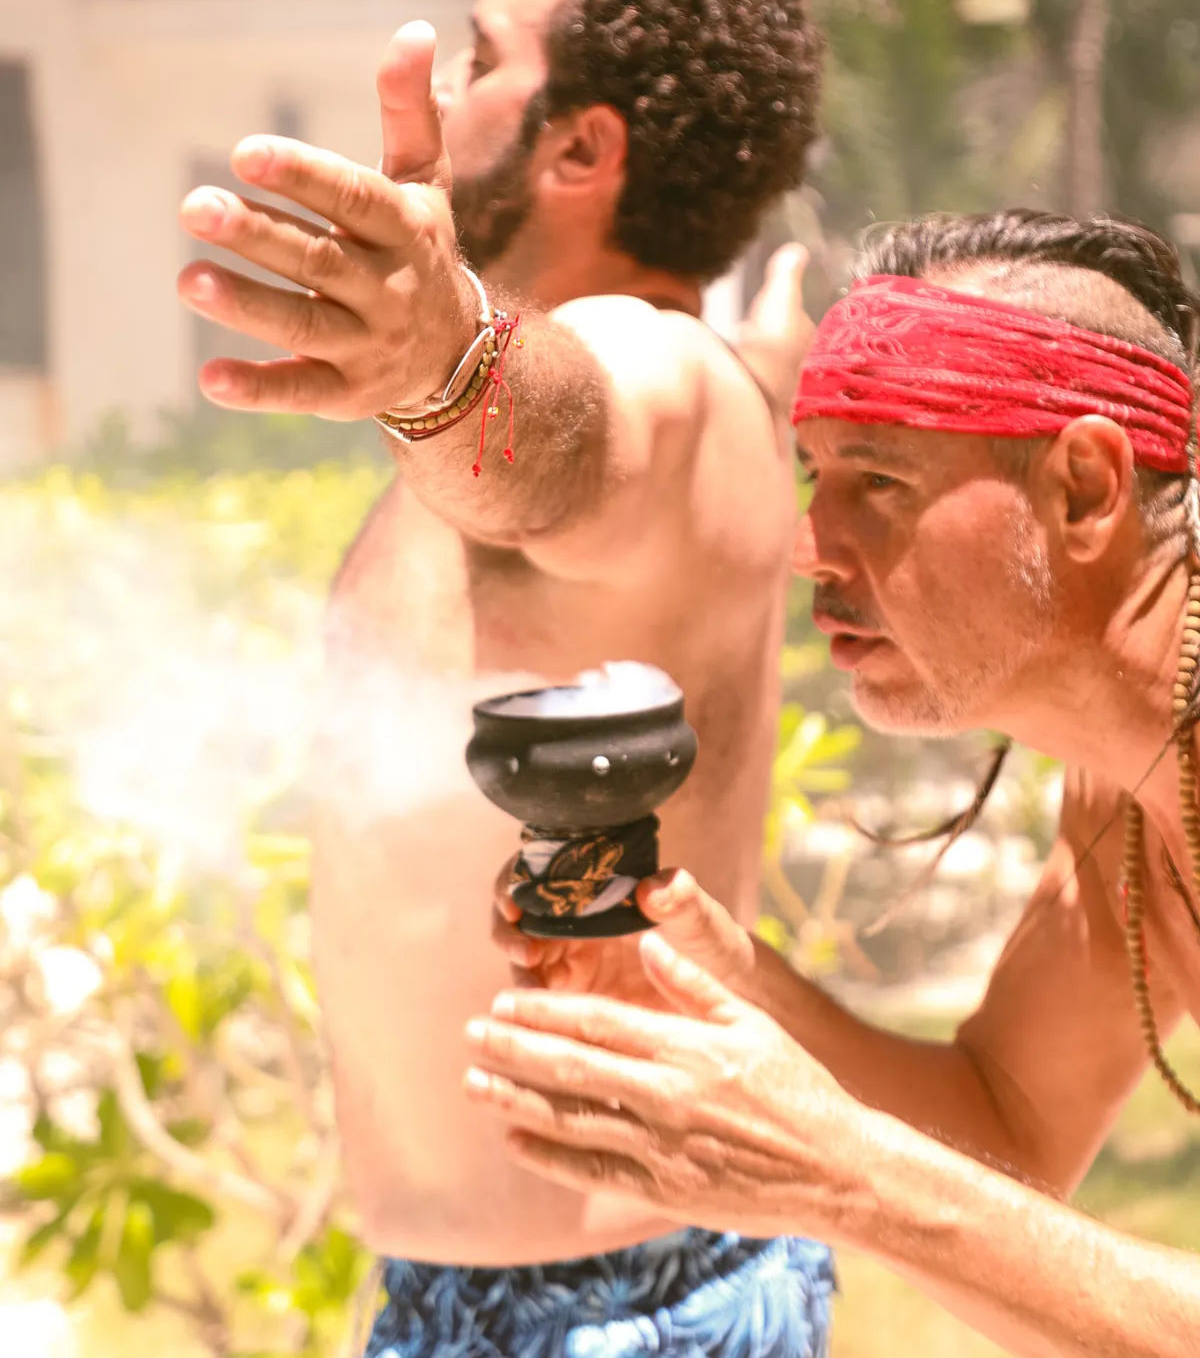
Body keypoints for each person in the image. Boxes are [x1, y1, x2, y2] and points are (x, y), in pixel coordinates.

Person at [176, 0, 836, 1358]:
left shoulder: (652, 372)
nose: (442, 92)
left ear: (582, 148)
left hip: (617, 1309)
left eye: (482, 61)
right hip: (518, 1298)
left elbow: (558, 438)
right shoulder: (707, 381)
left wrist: (443, 368)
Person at [467, 208, 1200, 1358]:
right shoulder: (1123, 801)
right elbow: (1005, 1120)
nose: (812, 543)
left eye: (880, 479)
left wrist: (840, 1175)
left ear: (1086, 490)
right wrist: (722, 983)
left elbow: (917, 1173)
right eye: (815, 476)